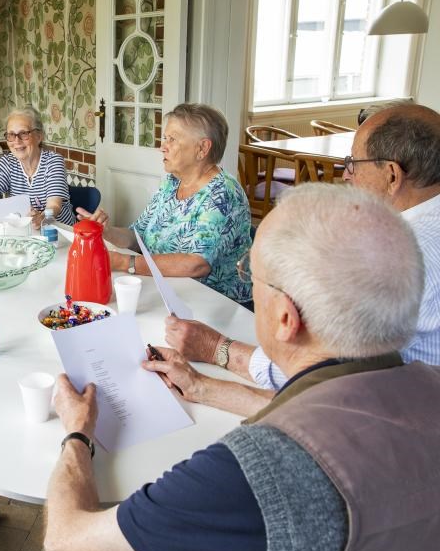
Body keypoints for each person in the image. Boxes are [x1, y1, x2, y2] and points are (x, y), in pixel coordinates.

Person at [40, 184, 440, 551]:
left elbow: (66, 542)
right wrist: (204, 388)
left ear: (286, 318)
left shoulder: (258, 466)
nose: (248, 284)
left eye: (252, 277)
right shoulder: (423, 388)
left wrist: (77, 434)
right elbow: (335, 415)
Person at [163, 104, 440, 417]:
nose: (346, 175)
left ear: (392, 175)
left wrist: (218, 350)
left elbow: (321, 374)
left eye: (353, 163)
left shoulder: (397, 255)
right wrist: (202, 386)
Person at [79, 103, 251, 304]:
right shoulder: (172, 182)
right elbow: (138, 235)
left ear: (202, 148)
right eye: (165, 138)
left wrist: (126, 263)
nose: (163, 146)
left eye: (172, 139)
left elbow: (197, 264)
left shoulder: (222, 194)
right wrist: (106, 231)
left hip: (215, 306)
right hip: (167, 290)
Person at [0, 106, 74, 227]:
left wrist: (41, 217)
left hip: (59, 232)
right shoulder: (7, 163)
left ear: (39, 136)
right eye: (11, 135)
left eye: (23, 133)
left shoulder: (53, 161)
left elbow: (54, 206)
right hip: (25, 233)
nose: (16, 141)